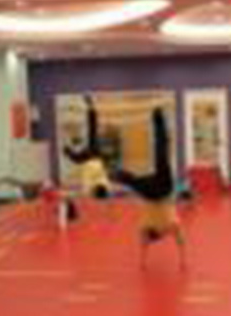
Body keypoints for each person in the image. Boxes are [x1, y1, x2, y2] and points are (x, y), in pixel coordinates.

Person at [112, 108, 186, 269]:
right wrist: (142, 262)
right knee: (132, 180)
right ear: (152, 234)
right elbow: (144, 243)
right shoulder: (146, 225)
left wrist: (183, 260)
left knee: (161, 155)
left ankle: (158, 119)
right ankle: (118, 175)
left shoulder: (170, 225)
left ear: (160, 235)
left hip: (163, 189)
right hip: (150, 191)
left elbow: (181, 241)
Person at [64, 95, 113, 200]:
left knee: (92, 133)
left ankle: (91, 109)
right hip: (91, 159)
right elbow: (80, 193)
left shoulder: (101, 186)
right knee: (91, 134)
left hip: (95, 158)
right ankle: (91, 109)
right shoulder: (90, 187)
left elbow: (81, 192)